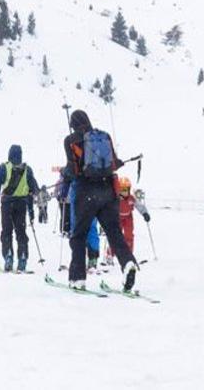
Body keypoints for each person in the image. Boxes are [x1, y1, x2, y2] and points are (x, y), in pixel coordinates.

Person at [61, 109, 140, 291]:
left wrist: (65, 175)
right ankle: (127, 263)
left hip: (86, 192)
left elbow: (73, 170)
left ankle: (78, 278)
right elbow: (113, 162)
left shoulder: (70, 141)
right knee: (114, 233)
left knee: (79, 235)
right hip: (108, 191)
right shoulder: (104, 136)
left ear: (72, 124)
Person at [0, 145, 39, 272]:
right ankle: (22, 257)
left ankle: (8, 256)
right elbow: (34, 186)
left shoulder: (4, 167)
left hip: (7, 203)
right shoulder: (27, 169)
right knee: (21, 231)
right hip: (21, 204)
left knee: (7, 231)